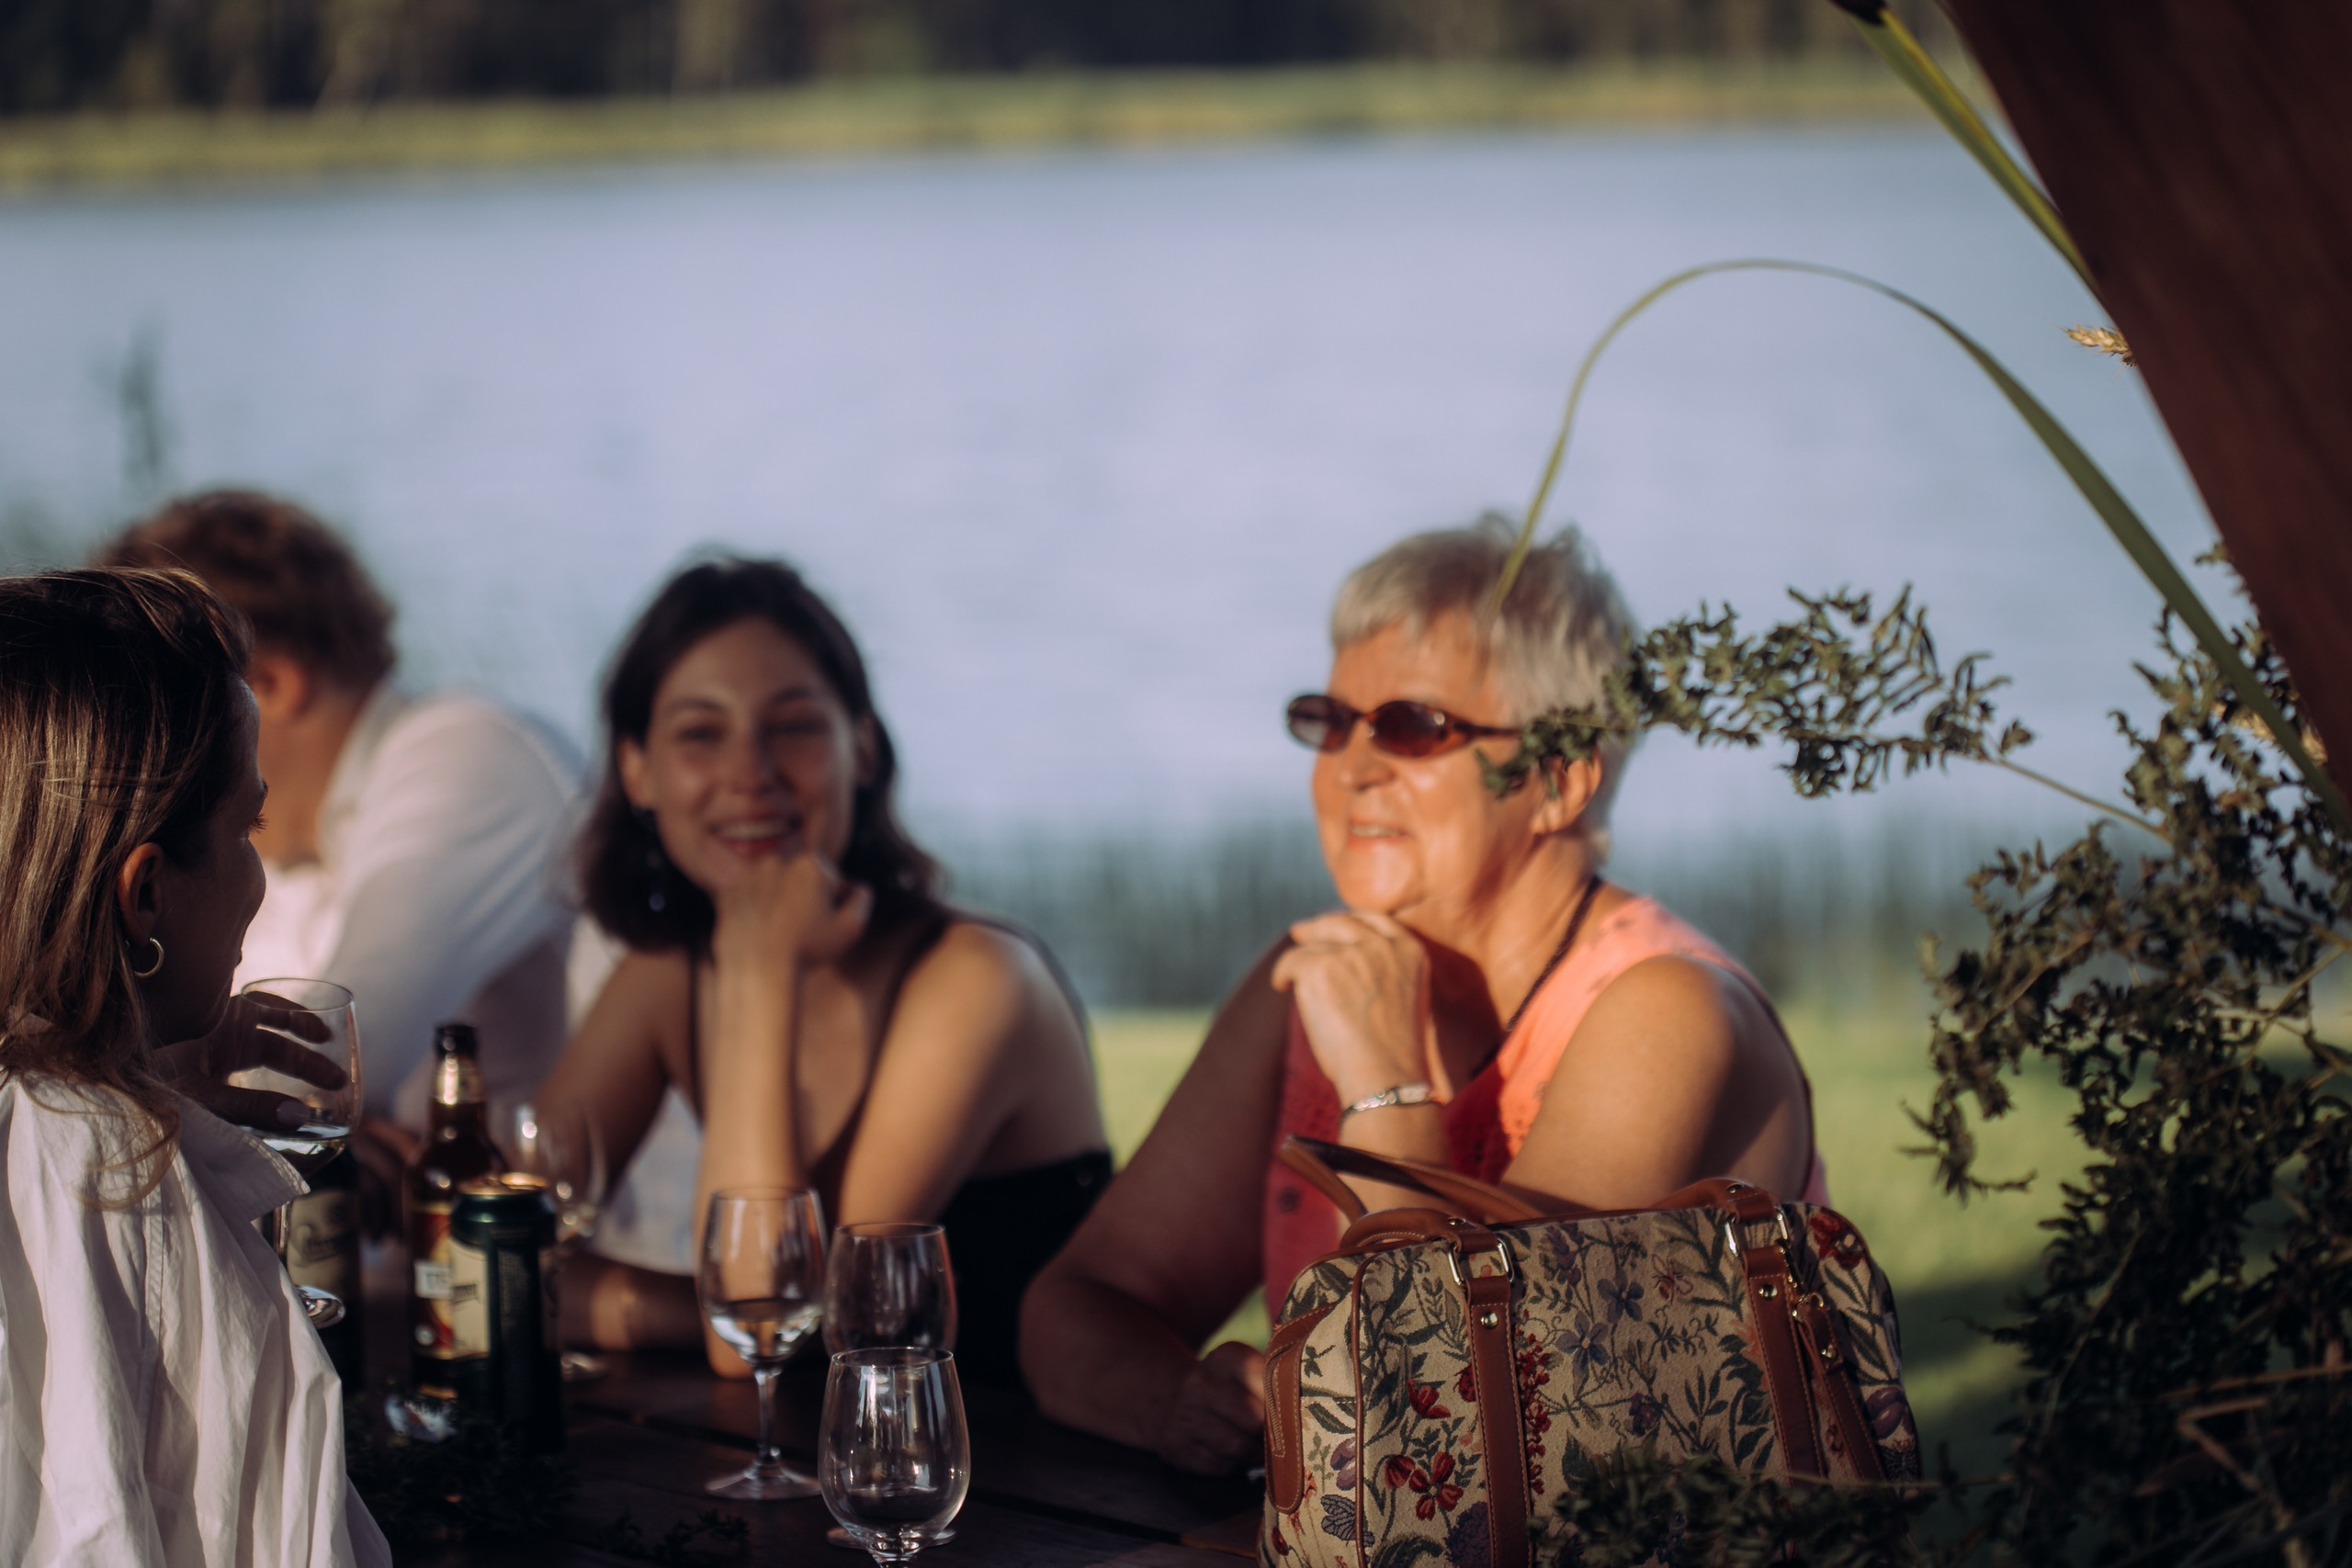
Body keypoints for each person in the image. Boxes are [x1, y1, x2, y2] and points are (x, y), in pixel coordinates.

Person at [1021, 517, 1826, 1473]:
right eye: (1330, 721)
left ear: (1561, 781)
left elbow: (1469, 1415)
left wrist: (1384, 1089)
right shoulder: (1311, 984)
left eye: (1414, 726)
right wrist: (1181, 1405)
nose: (1353, 768)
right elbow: (1076, 1309)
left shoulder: (1665, 1012)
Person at [540, 557, 1110, 1389]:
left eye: (795, 726)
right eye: (702, 733)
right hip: (812, 1481)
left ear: (864, 750)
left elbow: (754, 1330)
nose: (750, 772)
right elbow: (493, 1257)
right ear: (638, 771)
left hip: (1017, 1497)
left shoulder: (976, 980)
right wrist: (692, 1309)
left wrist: (760, 963)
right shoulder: (666, 975)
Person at [0, 567, 390, 1565]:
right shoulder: (107, 1165)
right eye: (246, 828)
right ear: (143, 894)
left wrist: (148, 1078)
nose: (261, 880)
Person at [98, 491, 582, 1219]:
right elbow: (265, 1094)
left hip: (564, 1276)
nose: (142, 759)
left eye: (158, 715)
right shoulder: (286, 849)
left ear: (272, 686)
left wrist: (179, 1083)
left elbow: (314, 1072)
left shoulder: (470, 754)